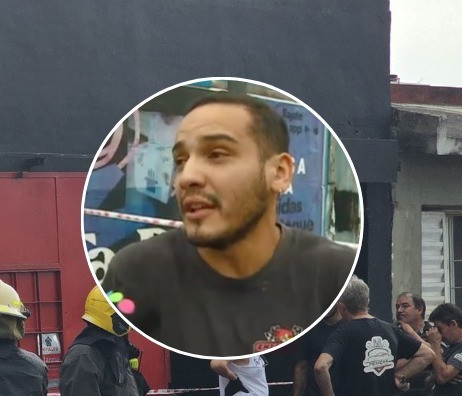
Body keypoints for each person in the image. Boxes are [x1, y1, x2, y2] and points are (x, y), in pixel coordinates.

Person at [101, 93, 354, 357]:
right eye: (181, 161)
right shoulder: (134, 273)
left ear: (279, 172)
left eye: (217, 154)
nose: (186, 177)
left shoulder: (333, 272)